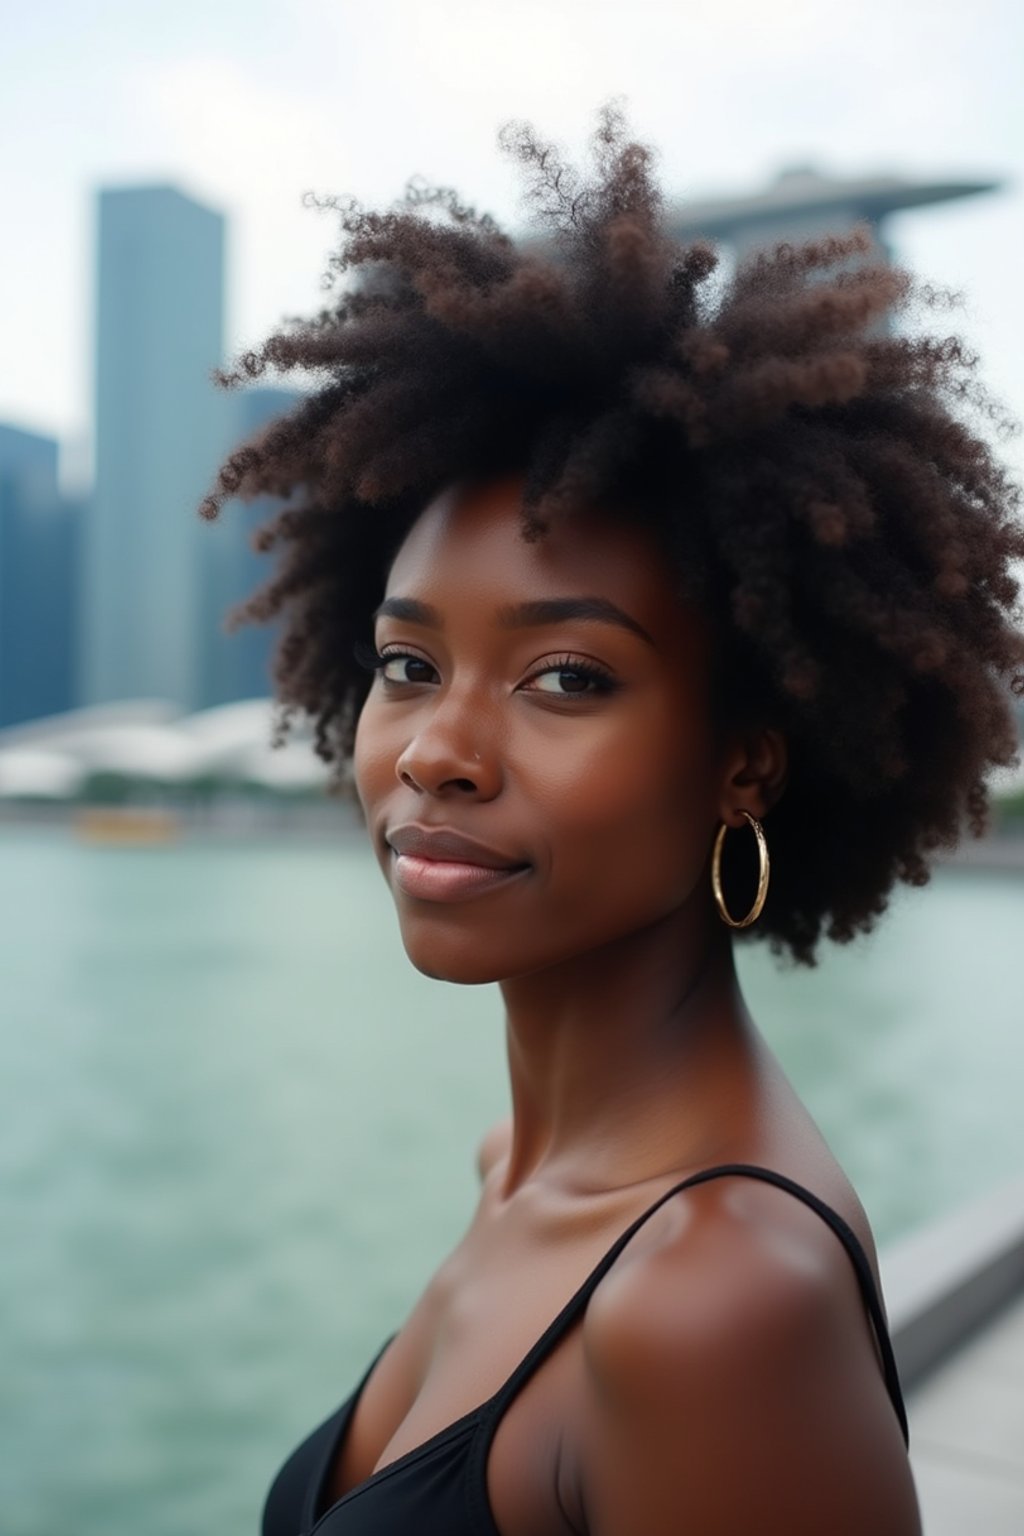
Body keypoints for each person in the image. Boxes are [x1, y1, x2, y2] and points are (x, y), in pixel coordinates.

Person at [201, 103, 1024, 1535]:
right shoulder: (517, 1170)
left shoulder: (713, 1303)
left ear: (748, 767)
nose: (438, 753)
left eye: (566, 677)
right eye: (407, 666)